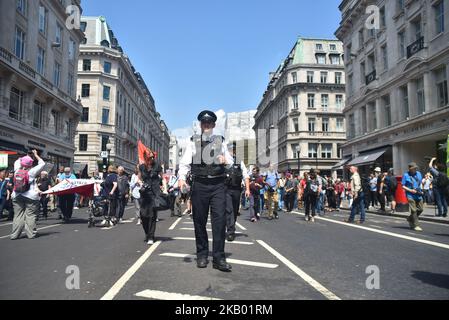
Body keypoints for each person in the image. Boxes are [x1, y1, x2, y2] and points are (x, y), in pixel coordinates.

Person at [178, 110, 234, 272]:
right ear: (201, 125)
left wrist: (225, 160)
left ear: (214, 125)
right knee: (199, 221)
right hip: (200, 185)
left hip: (218, 185)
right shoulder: (193, 142)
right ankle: (202, 254)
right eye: (204, 123)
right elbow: (184, 164)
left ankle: (219, 258)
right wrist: (181, 178)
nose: (207, 125)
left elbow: (230, 163)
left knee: (220, 221)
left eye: (209, 123)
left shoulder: (221, 142)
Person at [10, 150, 45, 240]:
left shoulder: (17, 169)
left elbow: (18, 160)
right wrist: (36, 155)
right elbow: (42, 163)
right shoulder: (31, 172)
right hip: (31, 196)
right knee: (30, 215)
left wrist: (25, 156)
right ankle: (30, 234)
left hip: (17, 195)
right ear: (30, 164)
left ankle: (15, 234)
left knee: (17, 215)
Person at [224, 143, 250, 242]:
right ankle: (230, 232)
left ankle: (231, 227)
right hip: (226, 189)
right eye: (232, 149)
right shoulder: (224, 158)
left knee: (234, 210)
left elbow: (246, 176)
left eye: (235, 149)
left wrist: (247, 189)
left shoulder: (240, 161)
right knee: (229, 209)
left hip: (237, 189)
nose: (233, 151)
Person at [138, 150, 163, 245]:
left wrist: (164, 187)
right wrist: (141, 183)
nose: (152, 159)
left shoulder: (157, 166)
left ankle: (151, 236)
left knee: (152, 215)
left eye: (153, 157)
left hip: (154, 193)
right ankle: (147, 233)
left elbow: (163, 177)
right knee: (143, 215)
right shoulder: (141, 167)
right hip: (144, 194)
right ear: (146, 157)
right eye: (150, 157)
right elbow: (139, 178)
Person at [402, 162, 424, 231]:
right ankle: (416, 225)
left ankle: (410, 218)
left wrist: (422, 190)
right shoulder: (405, 175)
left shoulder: (419, 174)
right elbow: (403, 186)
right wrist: (410, 190)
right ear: (410, 169)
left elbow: (420, 183)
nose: (415, 169)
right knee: (414, 210)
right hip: (410, 194)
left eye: (415, 168)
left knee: (420, 209)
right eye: (413, 168)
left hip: (418, 194)